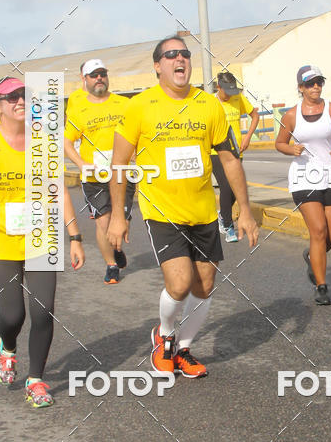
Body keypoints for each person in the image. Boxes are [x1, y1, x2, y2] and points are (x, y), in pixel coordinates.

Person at [107, 35, 259, 378]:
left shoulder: (209, 105)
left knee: (204, 287)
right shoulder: (140, 106)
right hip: (162, 210)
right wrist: (118, 215)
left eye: (185, 54)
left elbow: (230, 159)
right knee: (179, 282)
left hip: (203, 211)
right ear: (158, 66)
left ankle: (184, 348)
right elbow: (119, 164)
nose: (180, 59)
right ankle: (164, 336)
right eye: (171, 55)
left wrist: (245, 210)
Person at [0, 76, 85, 408]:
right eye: (10, 96)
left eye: (24, 94)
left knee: (44, 311)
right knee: (13, 317)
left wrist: (75, 236)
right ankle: (7, 348)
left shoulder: (43, 142)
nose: (20, 100)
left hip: (42, 239)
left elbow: (58, 190)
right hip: (0, 244)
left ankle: (36, 379)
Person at [275, 65, 331, 306]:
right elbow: (279, 143)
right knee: (318, 230)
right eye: (310, 83)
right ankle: (321, 286)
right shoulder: (291, 116)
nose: (316, 86)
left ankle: (312, 257)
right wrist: (291, 148)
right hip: (303, 177)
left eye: (319, 82)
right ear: (301, 88)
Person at [64, 58, 134, 284]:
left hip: (123, 172)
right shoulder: (79, 110)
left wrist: (136, 152)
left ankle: (116, 247)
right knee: (103, 221)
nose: (99, 78)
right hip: (94, 175)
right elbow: (66, 142)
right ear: (85, 80)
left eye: (102, 73)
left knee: (121, 219)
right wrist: (82, 164)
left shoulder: (124, 104)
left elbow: (138, 132)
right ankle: (111, 265)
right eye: (94, 75)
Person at [211, 71, 259, 242]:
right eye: (227, 91)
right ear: (218, 87)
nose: (230, 95)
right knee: (226, 186)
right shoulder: (210, 102)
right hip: (215, 152)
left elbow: (255, 115)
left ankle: (222, 216)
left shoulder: (238, 98)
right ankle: (228, 225)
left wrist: (247, 138)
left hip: (236, 151)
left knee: (234, 187)